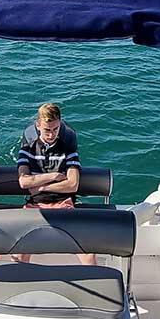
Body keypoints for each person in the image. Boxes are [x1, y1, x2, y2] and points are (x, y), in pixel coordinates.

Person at [16, 103, 94, 265]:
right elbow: (24, 181)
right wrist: (54, 176)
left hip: (63, 204)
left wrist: (41, 187)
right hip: (35, 205)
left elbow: (72, 184)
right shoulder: (27, 150)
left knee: (88, 253)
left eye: (55, 129)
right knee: (19, 252)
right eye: (47, 130)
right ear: (38, 126)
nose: (51, 135)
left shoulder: (68, 150)